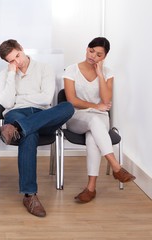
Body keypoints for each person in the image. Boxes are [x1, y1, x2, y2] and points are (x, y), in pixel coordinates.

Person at [0, 39, 74, 217]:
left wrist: (21, 98)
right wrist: (11, 75)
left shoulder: (44, 68)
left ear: (22, 49)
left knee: (67, 107)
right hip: (16, 114)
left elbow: (46, 99)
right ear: (7, 63)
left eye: (18, 55)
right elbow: (8, 103)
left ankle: (17, 128)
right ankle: (30, 195)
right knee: (29, 135)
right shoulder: (4, 75)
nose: (17, 62)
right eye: (11, 60)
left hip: (41, 116)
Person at [63, 37, 135, 203]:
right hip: (77, 117)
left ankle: (91, 188)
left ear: (104, 57)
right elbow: (72, 100)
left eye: (99, 54)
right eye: (91, 51)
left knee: (92, 136)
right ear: (87, 48)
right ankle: (116, 167)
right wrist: (95, 107)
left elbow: (106, 98)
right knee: (93, 123)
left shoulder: (108, 72)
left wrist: (100, 74)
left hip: (100, 119)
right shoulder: (71, 70)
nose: (93, 56)